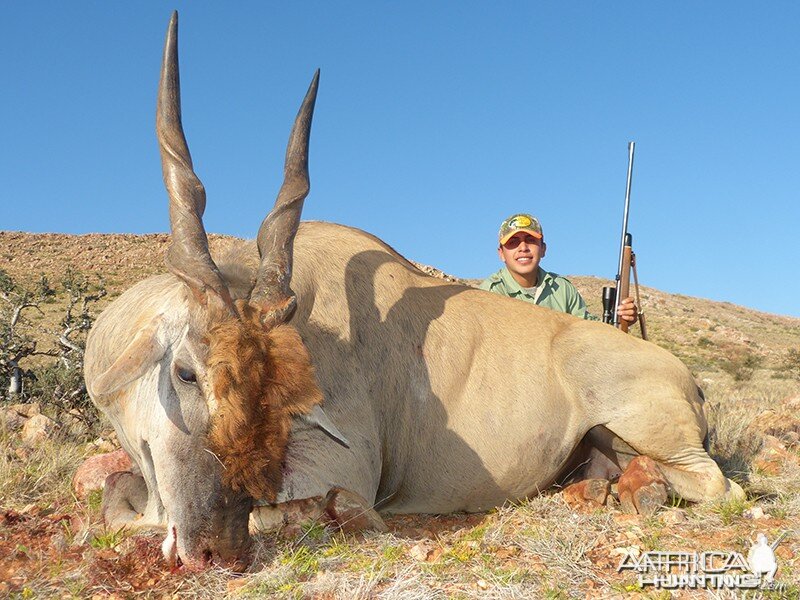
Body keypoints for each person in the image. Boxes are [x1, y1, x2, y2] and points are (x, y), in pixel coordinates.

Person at [479, 213, 637, 324]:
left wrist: (622, 318)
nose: (523, 248)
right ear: (501, 253)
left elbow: (588, 331)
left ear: (543, 249)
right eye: (513, 242)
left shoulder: (562, 288)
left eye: (530, 240)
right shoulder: (489, 293)